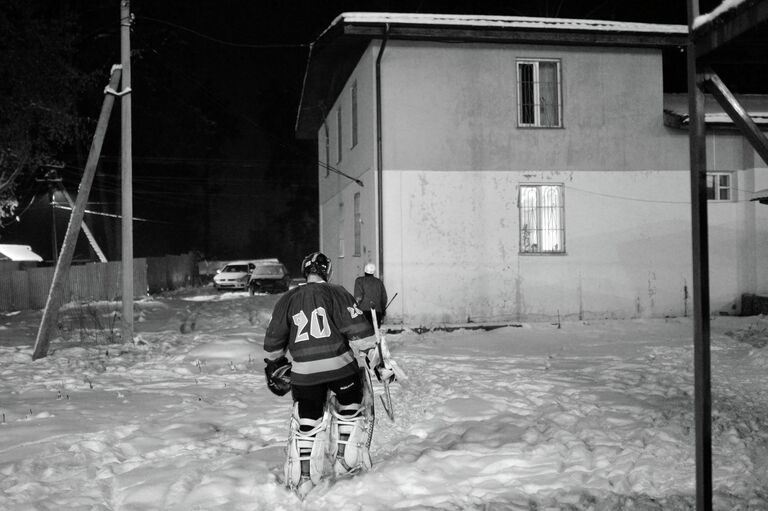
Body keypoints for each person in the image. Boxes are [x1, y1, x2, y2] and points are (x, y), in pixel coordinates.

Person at [263, 251, 375, 497]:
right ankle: (347, 461)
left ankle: (303, 477)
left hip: (304, 373)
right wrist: (373, 355)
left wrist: (275, 364)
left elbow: (273, 343)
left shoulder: (288, 299)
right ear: (328, 271)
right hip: (340, 368)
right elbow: (361, 332)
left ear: (306, 271)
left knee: (308, 420)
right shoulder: (336, 292)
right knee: (350, 406)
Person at [354, 263, 388, 328]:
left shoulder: (359, 280)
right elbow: (384, 298)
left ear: (364, 270)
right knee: (375, 333)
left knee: (365, 334)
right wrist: (382, 309)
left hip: (363, 312)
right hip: (377, 311)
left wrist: (356, 308)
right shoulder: (379, 282)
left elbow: (358, 297)